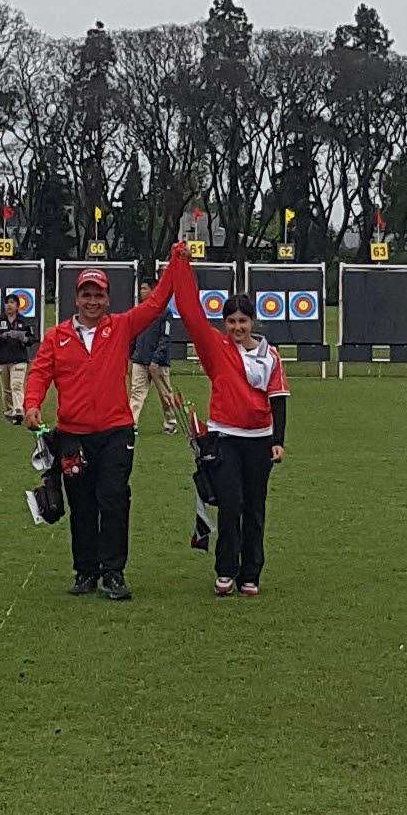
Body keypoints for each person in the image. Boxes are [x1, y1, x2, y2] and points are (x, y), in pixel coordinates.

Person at [23, 248, 186, 600]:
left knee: (113, 498)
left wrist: (176, 263)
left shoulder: (122, 326)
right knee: (82, 505)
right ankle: (85, 572)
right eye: (86, 294)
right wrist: (32, 403)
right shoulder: (57, 336)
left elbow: (157, 303)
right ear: (76, 298)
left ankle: (113, 573)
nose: (92, 301)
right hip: (72, 436)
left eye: (99, 294)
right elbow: (40, 373)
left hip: (115, 431)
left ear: (108, 298)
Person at [171, 251, 289, 597]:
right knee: (231, 504)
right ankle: (226, 570)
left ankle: (250, 574)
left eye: (243, 321)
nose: (237, 327)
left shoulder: (270, 355)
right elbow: (191, 314)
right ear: (224, 324)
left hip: (260, 440)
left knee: (254, 507)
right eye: (231, 321)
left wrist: (278, 441)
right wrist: (181, 266)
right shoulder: (217, 348)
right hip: (224, 437)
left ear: (253, 322)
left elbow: (279, 398)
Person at [129, 278, 178, 435]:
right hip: (140, 359)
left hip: (159, 363)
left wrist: (157, 359)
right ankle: (132, 424)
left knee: (165, 393)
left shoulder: (165, 312)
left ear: (153, 290)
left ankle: (171, 423)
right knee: (137, 391)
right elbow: (133, 333)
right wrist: (132, 353)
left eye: (144, 288)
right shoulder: (139, 310)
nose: (142, 291)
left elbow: (165, 337)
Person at [0, 292, 35, 424]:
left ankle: (19, 410)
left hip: (19, 359)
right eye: (7, 302)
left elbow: (31, 339)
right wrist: (2, 337)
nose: (9, 305)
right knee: (7, 389)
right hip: (2, 359)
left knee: (17, 384)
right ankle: (9, 411)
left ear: (17, 306)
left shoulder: (23, 321)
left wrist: (23, 338)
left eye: (12, 302)